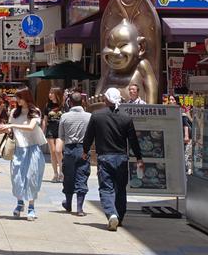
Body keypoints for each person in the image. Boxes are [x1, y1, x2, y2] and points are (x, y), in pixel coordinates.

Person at [83, 87, 144, 230]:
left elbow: (88, 136)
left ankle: (111, 214)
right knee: (120, 188)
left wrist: (85, 151)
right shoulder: (126, 118)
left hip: (105, 157)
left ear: (106, 99)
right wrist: (139, 158)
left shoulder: (97, 116)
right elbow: (133, 140)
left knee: (106, 188)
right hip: (122, 158)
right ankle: (119, 217)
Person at [0, 88, 47, 220]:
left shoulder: (35, 111)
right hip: (19, 149)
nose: (17, 100)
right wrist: (4, 129)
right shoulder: (14, 112)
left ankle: (31, 207)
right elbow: (10, 129)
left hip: (32, 149)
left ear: (26, 97)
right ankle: (20, 203)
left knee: (32, 177)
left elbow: (31, 127)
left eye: (19, 98)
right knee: (17, 178)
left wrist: (12, 126)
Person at [58, 92, 92, 216]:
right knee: (82, 176)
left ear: (70, 102)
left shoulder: (64, 116)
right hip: (83, 149)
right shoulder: (89, 116)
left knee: (68, 176)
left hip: (69, 149)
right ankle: (79, 208)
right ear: (82, 102)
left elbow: (61, 136)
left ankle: (68, 203)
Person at [45, 88, 65, 183]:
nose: (50, 94)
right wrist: (42, 131)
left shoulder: (63, 106)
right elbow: (44, 120)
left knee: (58, 150)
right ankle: (55, 174)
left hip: (60, 130)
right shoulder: (47, 106)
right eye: (49, 92)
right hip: (50, 130)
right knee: (52, 152)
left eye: (52, 93)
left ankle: (62, 171)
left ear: (57, 94)